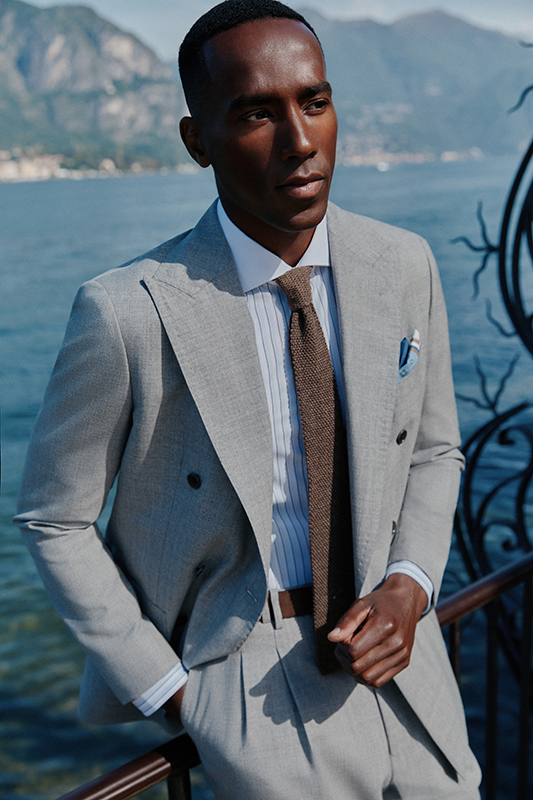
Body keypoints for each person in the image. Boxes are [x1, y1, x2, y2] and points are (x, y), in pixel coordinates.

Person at [15, 1, 481, 797]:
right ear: (198, 141)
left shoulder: (403, 263)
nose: (300, 141)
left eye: (314, 102)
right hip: (253, 689)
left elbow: (434, 448)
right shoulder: (128, 310)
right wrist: (172, 689)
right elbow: (53, 517)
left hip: (407, 661)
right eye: (257, 114)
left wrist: (410, 582)